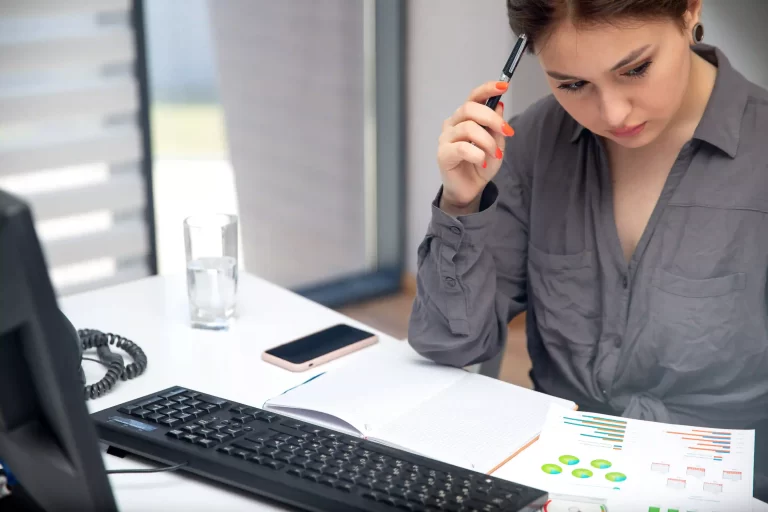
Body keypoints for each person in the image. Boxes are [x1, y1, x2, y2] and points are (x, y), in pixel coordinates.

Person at [407, 0, 768, 499]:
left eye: (636, 69)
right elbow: (450, 344)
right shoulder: (535, 141)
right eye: (573, 84)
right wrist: (462, 203)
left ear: (689, 11)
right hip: (553, 477)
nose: (613, 113)